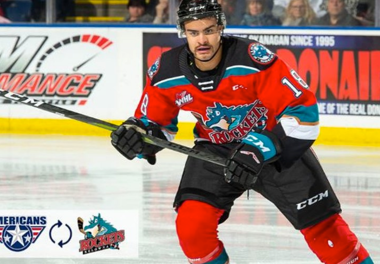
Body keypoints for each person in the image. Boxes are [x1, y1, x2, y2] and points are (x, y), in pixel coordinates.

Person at [110, 0, 374, 263]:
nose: (202, 40)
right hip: (215, 151)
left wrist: (259, 149)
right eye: (193, 32)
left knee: (328, 234)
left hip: (273, 148)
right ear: (183, 32)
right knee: (192, 229)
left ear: (221, 28)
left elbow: (304, 113)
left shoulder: (251, 58)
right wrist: (138, 136)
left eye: (209, 30)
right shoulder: (165, 71)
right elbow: (155, 125)